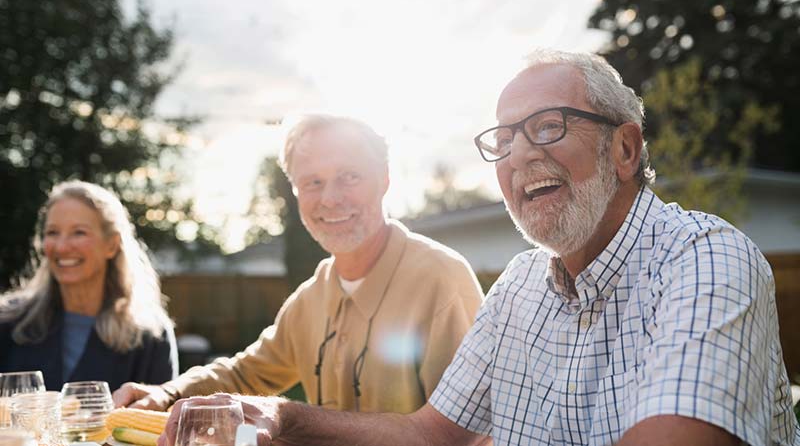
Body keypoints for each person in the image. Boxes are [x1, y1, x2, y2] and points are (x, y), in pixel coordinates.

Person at [158, 50, 800, 446]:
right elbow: (431, 433)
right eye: (505, 139)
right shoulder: (521, 284)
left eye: (549, 126)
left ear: (625, 149)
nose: (521, 153)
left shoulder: (706, 260)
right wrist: (277, 417)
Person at [114, 114, 484, 414]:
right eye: (312, 183)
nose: (330, 198)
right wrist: (168, 393)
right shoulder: (312, 297)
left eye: (349, 177)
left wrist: (293, 424)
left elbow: (467, 433)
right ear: (295, 193)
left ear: (385, 180)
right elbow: (245, 374)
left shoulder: (441, 280)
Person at [0, 180, 178, 392]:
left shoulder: (150, 336)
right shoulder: (8, 322)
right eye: (53, 232)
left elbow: (158, 419)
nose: (62, 246)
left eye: (79, 232)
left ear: (111, 245)